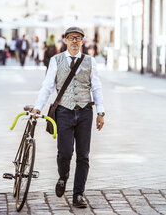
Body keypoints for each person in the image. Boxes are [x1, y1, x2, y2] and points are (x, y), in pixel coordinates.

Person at [32, 27, 105, 209]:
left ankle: (78, 194)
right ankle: (63, 176)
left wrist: (101, 112)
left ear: (82, 41)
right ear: (65, 40)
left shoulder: (90, 61)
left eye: (78, 38)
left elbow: (96, 87)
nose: (74, 41)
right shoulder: (56, 60)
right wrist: (37, 107)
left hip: (85, 111)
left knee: (83, 156)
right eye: (71, 38)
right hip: (64, 111)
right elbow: (48, 86)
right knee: (64, 154)